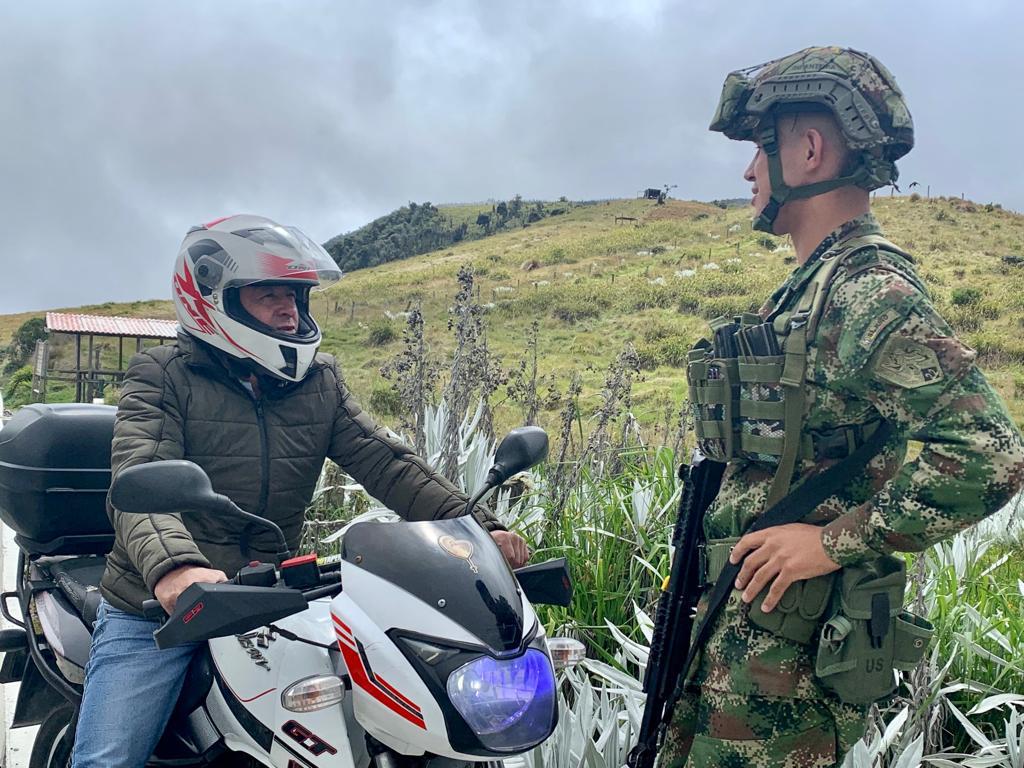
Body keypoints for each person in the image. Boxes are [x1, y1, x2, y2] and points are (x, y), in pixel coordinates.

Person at [663, 47, 1024, 767]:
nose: (748, 172)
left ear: (808, 148)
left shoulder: (867, 290)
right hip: (744, 635)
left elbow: (990, 454)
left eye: (758, 151)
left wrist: (832, 543)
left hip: (786, 667)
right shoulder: (816, 286)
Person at [71, 215, 530, 767]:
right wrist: (175, 570)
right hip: (161, 610)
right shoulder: (164, 373)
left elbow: (387, 463)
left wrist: (476, 530)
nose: (290, 311)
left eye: (295, 296)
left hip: (274, 600)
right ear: (214, 300)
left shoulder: (319, 383)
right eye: (270, 296)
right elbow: (139, 474)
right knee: (108, 759)